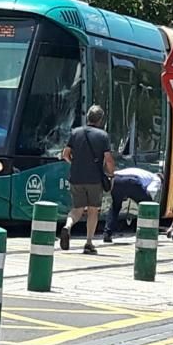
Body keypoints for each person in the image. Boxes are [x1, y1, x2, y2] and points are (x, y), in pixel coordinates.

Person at [61, 105, 114, 255]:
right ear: (100, 120)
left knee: (77, 209)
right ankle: (89, 242)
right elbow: (108, 160)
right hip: (94, 179)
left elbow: (65, 154)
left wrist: (75, 163)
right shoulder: (102, 136)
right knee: (93, 210)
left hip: (76, 177)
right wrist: (111, 175)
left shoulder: (75, 132)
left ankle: (68, 226)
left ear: (88, 117)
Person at [103, 167, 162, 243]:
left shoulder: (145, 173)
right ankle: (147, 232)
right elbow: (151, 191)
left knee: (115, 207)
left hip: (116, 179)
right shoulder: (157, 178)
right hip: (132, 181)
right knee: (147, 206)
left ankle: (107, 233)